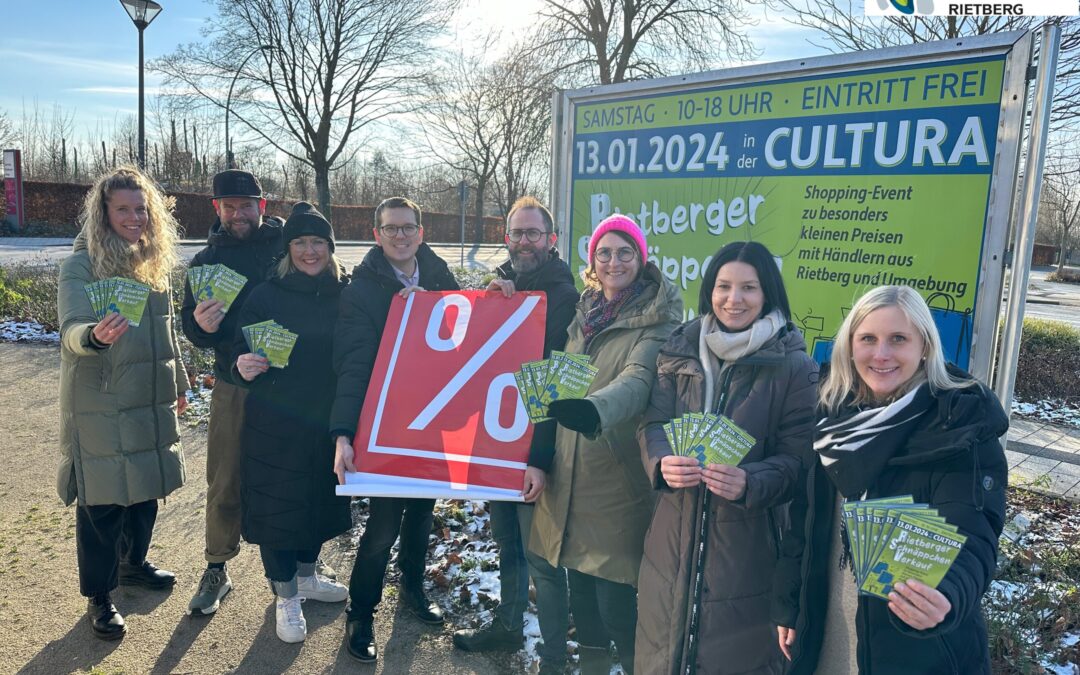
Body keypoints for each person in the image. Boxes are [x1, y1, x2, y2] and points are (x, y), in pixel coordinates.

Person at [771, 285, 1008, 675]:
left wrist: (948, 594)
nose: (881, 354)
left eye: (898, 339)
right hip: (829, 637)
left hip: (917, 646)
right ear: (849, 346)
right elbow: (805, 521)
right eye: (867, 339)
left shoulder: (959, 425)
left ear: (925, 346)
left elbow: (976, 535)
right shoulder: (832, 417)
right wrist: (789, 603)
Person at [635, 241, 818, 675]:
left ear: (768, 294)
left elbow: (799, 462)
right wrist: (660, 462)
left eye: (748, 288)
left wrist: (750, 482)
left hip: (747, 555)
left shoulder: (795, 367)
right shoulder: (678, 350)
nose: (733, 300)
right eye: (723, 287)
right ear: (709, 291)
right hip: (670, 546)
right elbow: (652, 425)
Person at [531, 214, 683, 675]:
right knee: (584, 604)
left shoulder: (658, 318)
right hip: (568, 477)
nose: (614, 262)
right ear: (592, 261)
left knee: (617, 605)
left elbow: (637, 381)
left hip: (615, 483)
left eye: (624, 252)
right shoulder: (586, 313)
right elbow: (555, 380)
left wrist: (595, 410)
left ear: (642, 258)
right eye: (604, 253)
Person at [57, 166, 188, 640]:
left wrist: (180, 378)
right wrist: (91, 336)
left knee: (145, 491)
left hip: (149, 396)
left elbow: (167, 331)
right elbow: (69, 329)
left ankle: (133, 564)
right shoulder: (80, 265)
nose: (134, 218)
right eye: (123, 209)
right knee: (104, 501)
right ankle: (99, 595)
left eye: (141, 208)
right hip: (102, 397)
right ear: (103, 213)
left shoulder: (153, 263)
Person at [330, 197, 460, 663]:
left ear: (421, 232)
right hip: (386, 426)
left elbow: (470, 340)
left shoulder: (443, 278)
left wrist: (497, 295)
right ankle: (361, 613)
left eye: (408, 227)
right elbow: (352, 364)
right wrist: (344, 432)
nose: (400, 236)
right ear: (376, 234)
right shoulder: (361, 291)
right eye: (391, 228)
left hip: (433, 423)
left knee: (422, 515)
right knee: (383, 525)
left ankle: (412, 589)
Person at [452, 196, 579, 674]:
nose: (524, 241)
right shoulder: (502, 288)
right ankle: (507, 625)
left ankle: (551, 657)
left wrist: (539, 458)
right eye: (516, 233)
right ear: (506, 239)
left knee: (542, 558)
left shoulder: (564, 297)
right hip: (496, 441)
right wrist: (486, 309)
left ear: (551, 240)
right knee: (505, 540)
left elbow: (556, 383)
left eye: (533, 233)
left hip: (534, 447)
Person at [179, 169, 304, 617]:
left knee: (293, 473)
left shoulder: (287, 246)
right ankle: (217, 567)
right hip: (234, 385)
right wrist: (200, 325)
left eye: (246, 205)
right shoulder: (204, 262)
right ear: (217, 208)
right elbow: (190, 325)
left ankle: (297, 566)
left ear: (262, 206)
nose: (238, 214)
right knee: (225, 477)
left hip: (289, 383)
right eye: (228, 206)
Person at [230, 202, 351, 643]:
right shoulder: (266, 295)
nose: (309, 250)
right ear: (288, 249)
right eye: (299, 242)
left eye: (318, 241)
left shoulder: (345, 292)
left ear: (330, 247)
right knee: (279, 508)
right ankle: (285, 597)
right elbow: (235, 354)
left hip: (326, 420)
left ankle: (306, 577)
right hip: (274, 423)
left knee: (317, 503)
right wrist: (239, 366)